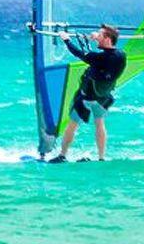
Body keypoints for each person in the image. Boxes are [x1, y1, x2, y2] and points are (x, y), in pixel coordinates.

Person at [51, 25, 127, 162]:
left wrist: (66, 39)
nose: (97, 36)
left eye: (100, 35)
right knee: (99, 124)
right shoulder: (121, 55)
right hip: (103, 98)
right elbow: (100, 55)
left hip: (87, 97)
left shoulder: (100, 58)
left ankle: (62, 155)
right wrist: (96, 38)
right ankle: (101, 157)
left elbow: (79, 53)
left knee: (72, 124)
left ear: (108, 38)